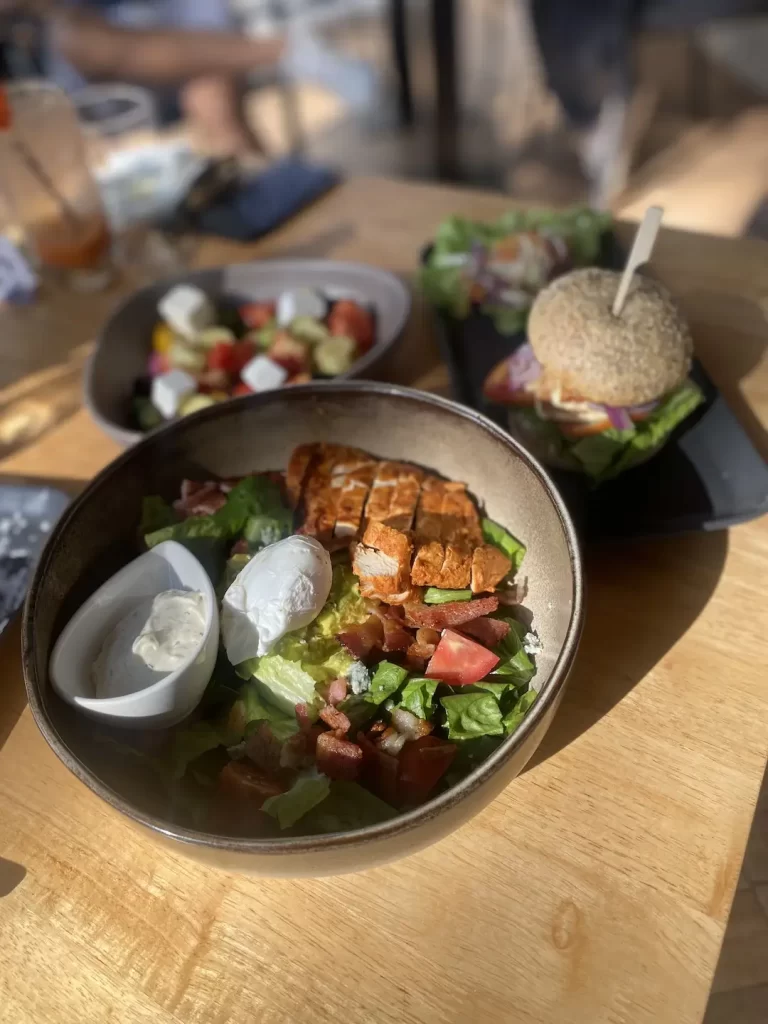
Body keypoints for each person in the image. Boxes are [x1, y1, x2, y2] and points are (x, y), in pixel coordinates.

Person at [3, 0, 376, 156]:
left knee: (212, 95)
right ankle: (285, 50)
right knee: (80, 39)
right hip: (85, 61)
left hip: (171, 24)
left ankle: (261, 200)